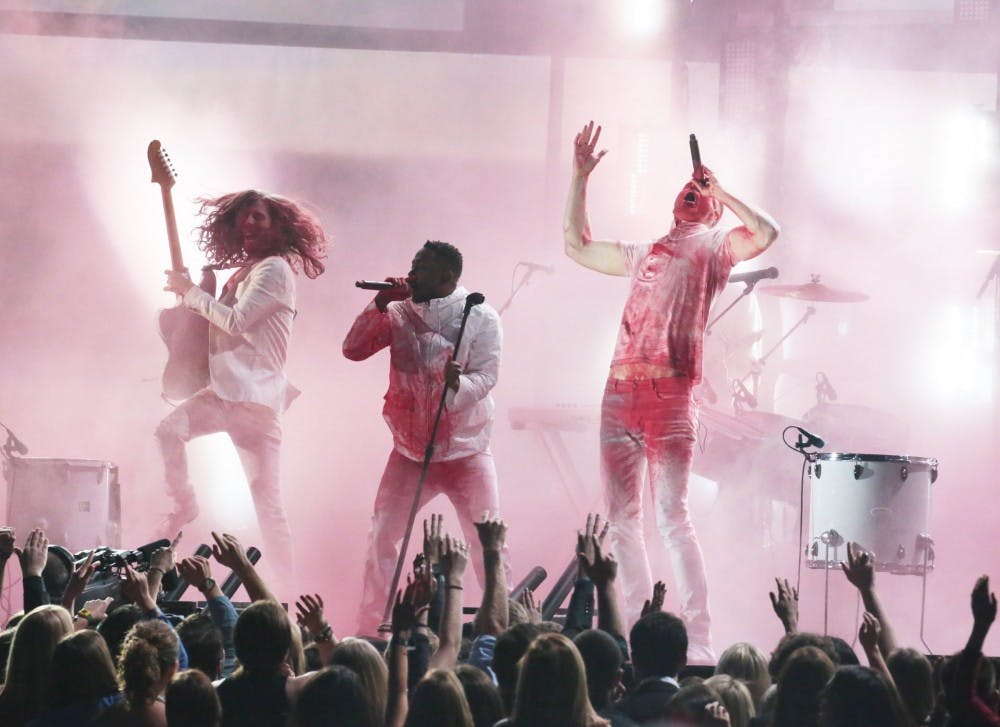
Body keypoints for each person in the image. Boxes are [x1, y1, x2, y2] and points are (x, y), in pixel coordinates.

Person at [563, 120, 780, 661]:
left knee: (671, 517)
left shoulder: (715, 247)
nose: (691, 192)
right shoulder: (644, 252)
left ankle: (699, 638)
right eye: (687, 190)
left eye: (701, 195)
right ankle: (636, 632)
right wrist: (579, 178)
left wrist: (721, 193)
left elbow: (768, 232)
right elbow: (577, 246)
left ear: (711, 211)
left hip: (671, 397)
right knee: (622, 520)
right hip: (619, 394)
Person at [157, 189, 328, 580]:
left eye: (258, 217)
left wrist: (193, 294)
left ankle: (288, 589)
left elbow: (235, 322)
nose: (248, 224)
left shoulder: (274, 271)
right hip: (225, 394)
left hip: (253, 403)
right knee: (169, 430)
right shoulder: (245, 272)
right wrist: (192, 296)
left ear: (278, 227)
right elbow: (215, 325)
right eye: (244, 217)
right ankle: (184, 504)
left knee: (268, 504)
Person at [343, 240, 505, 634]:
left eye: (421, 267)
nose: (411, 273)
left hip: (467, 451)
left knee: (489, 542)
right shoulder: (397, 310)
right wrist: (380, 304)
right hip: (410, 453)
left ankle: (500, 630)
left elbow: (487, 375)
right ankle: (369, 629)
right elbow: (353, 349)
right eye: (412, 265)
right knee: (382, 536)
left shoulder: (480, 315)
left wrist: (458, 385)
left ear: (447, 276)